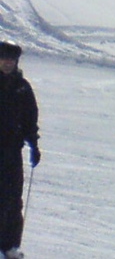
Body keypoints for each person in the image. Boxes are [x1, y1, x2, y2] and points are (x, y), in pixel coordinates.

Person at [0, 41, 38, 259]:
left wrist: (33, 144)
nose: (7, 63)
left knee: (12, 200)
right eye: (4, 58)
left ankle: (10, 246)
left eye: (11, 60)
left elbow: (30, 118)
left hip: (12, 152)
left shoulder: (22, 88)